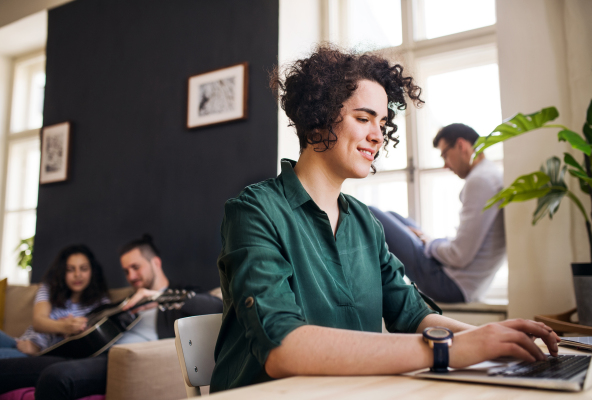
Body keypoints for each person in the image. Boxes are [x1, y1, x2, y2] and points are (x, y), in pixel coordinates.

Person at [209, 44, 558, 393]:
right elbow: (282, 348)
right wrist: (449, 349)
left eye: (382, 122)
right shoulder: (254, 211)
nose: (378, 136)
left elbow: (412, 315)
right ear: (316, 120)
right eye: (363, 119)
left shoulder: (365, 223)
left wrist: (493, 337)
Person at [0, 234, 223, 400]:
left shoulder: (180, 295)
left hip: (115, 361)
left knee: (56, 378)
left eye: (136, 267)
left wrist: (158, 296)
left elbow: (218, 306)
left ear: (155, 262)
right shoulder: (124, 304)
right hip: (81, 353)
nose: (131, 276)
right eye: (126, 271)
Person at [369, 123, 505, 303]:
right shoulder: (490, 174)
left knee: (372, 214)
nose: (446, 165)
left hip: (450, 284)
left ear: (461, 145)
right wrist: (429, 241)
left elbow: (459, 255)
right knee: (393, 216)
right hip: (459, 280)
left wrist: (430, 244)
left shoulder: (481, 180)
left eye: (445, 155)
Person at [0, 245, 110, 359]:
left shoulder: (101, 302)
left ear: (92, 271)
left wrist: (40, 347)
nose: (77, 275)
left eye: (83, 269)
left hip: (39, 355)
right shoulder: (49, 288)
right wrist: (65, 327)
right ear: (62, 272)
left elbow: (94, 338)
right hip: (22, 343)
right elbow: (39, 321)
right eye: (70, 270)